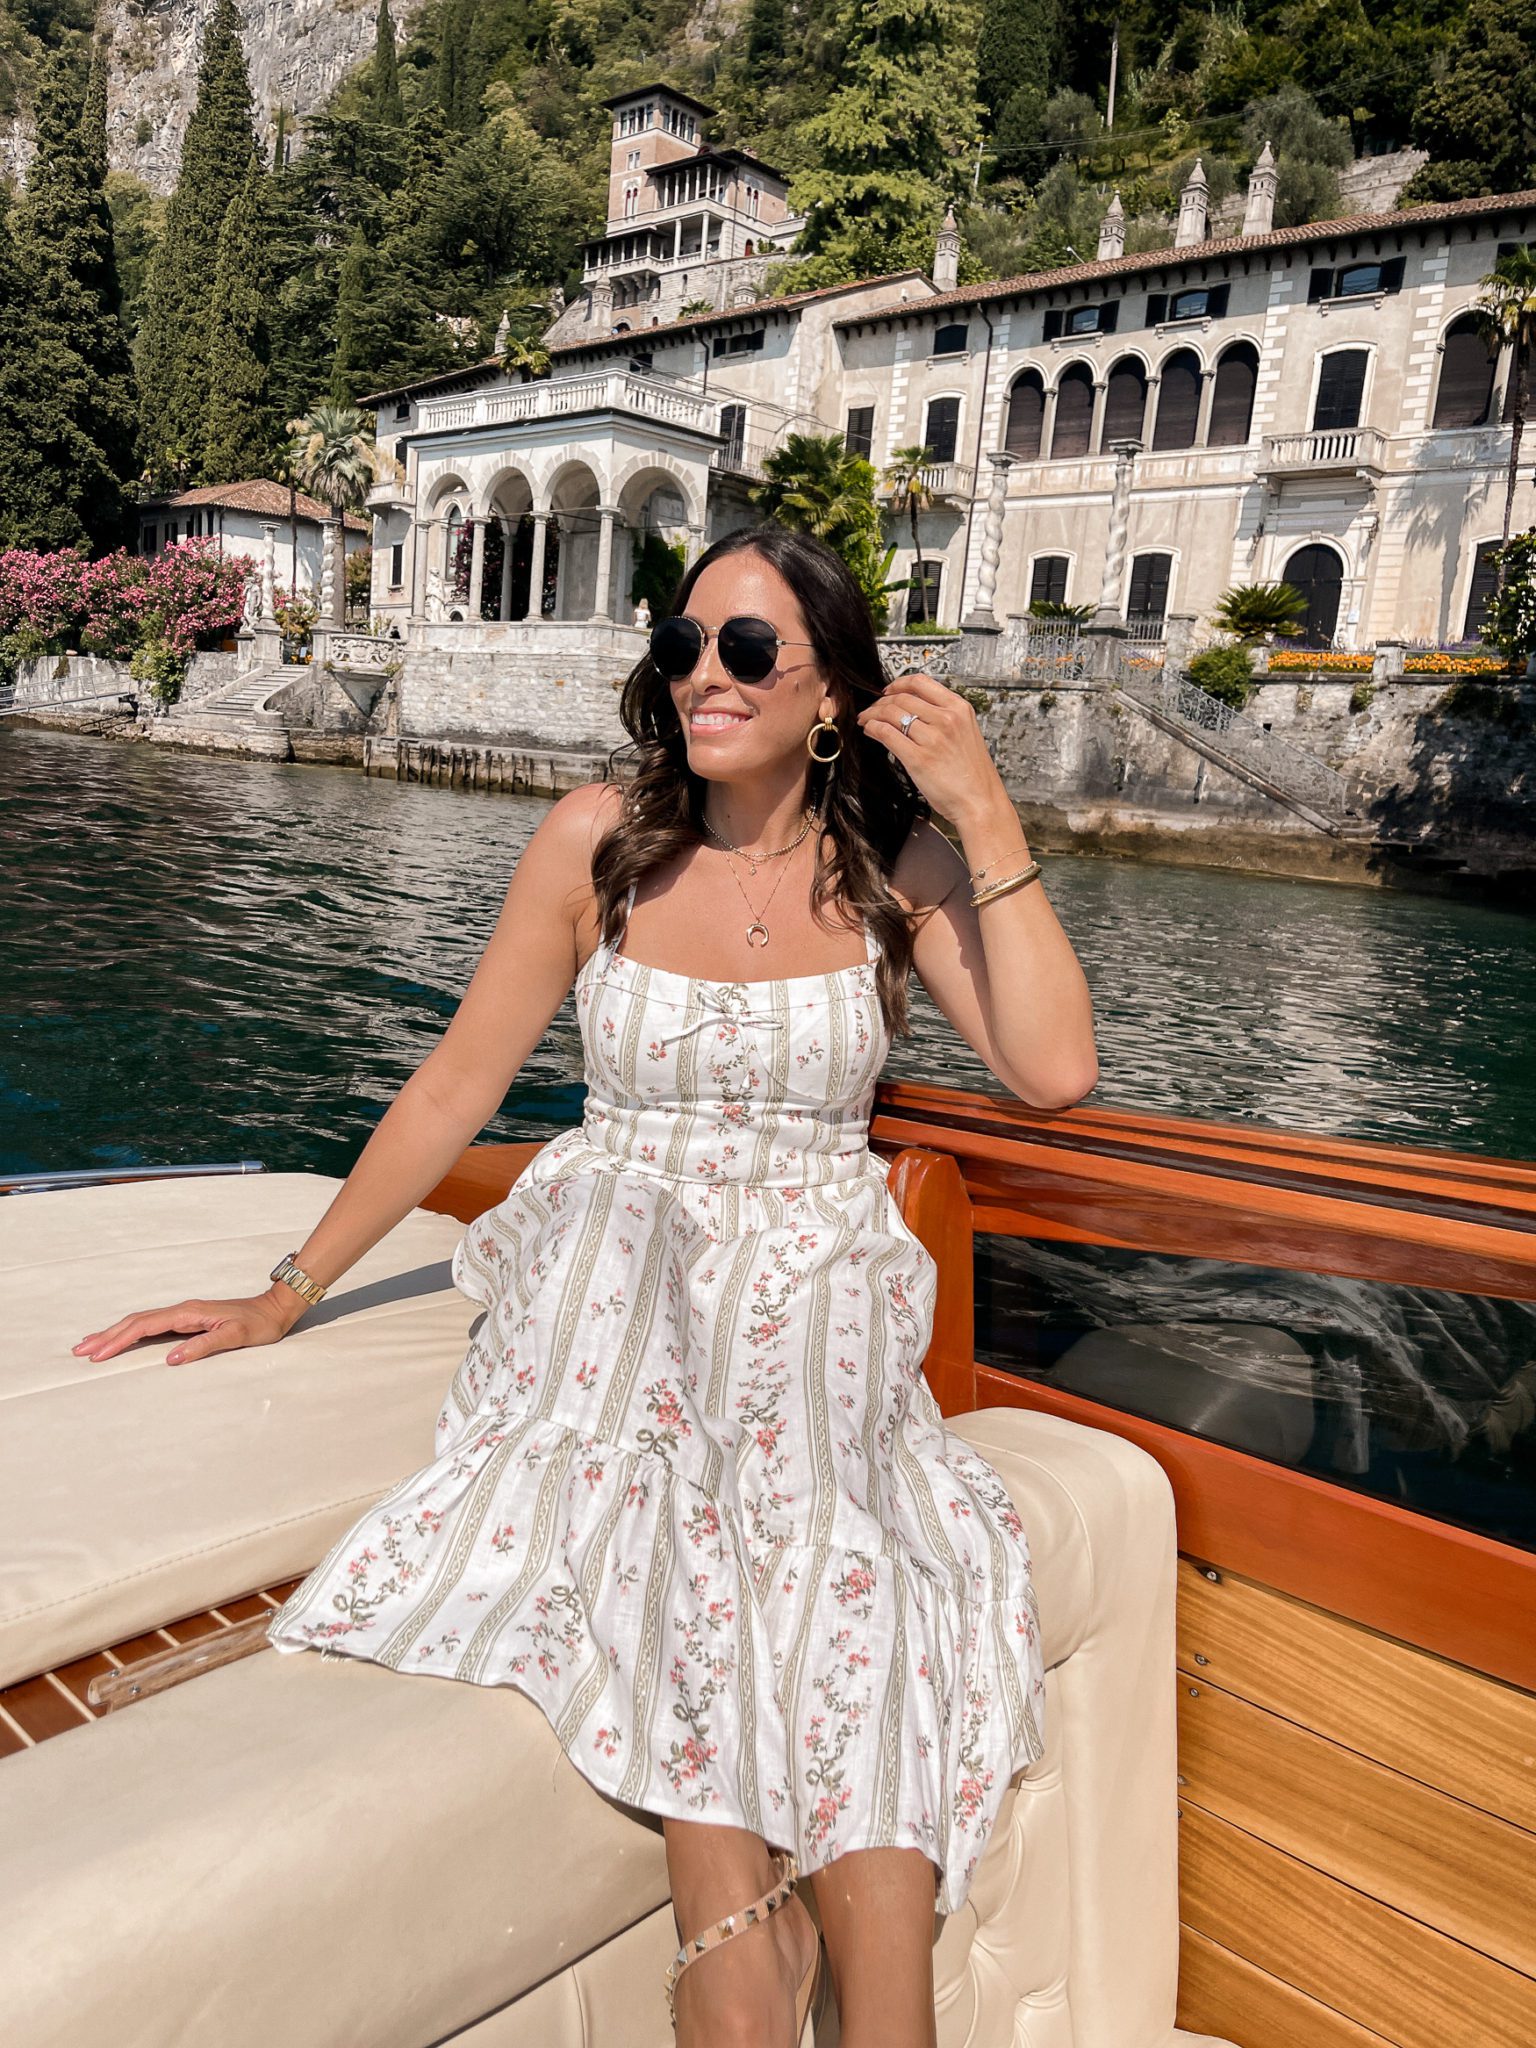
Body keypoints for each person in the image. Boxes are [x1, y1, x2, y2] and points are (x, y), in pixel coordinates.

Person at [72, 520, 1100, 2048]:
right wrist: (283, 1293)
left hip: (816, 1284)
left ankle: (865, 2008)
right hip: (621, 1279)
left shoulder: (902, 867)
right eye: (683, 644)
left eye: (749, 650)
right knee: (705, 1470)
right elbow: (454, 1089)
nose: (705, 675)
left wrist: (989, 817)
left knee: (850, 1538)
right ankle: (740, 1932)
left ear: (831, 692)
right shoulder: (597, 840)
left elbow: (1055, 1073)